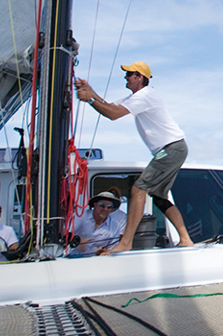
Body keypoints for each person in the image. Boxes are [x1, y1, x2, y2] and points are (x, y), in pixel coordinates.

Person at [74, 61, 194, 251]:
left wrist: (89, 99)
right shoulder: (137, 97)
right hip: (173, 148)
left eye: (129, 74)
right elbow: (108, 105)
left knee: (139, 190)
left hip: (171, 149)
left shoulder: (144, 96)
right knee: (159, 197)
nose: (125, 78)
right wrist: (91, 91)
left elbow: (112, 114)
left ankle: (125, 243)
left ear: (139, 77)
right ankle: (185, 238)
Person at [73, 190, 127, 256]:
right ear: (94, 204)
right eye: (102, 205)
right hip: (73, 259)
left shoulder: (115, 225)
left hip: (97, 261)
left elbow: (112, 249)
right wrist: (78, 241)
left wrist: (103, 252)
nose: (105, 209)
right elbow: (65, 233)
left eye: (109, 207)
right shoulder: (80, 216)